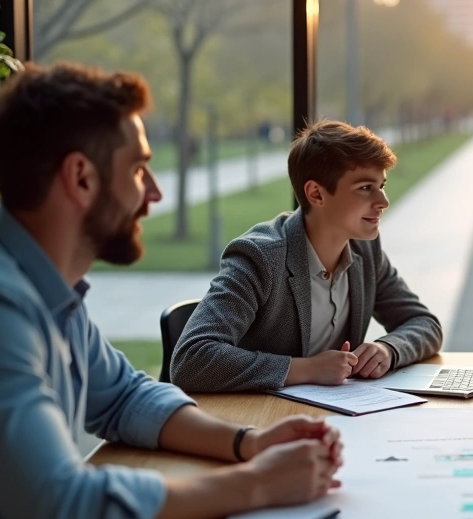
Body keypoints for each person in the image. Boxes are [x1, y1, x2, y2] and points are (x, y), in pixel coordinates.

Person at [0, 63, 343, 519]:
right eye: (137, 169)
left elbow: (125, 397)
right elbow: (62, 510)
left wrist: (249, 443)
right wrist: (258, 484)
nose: (153, 193)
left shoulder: (36, 281)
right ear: (81, 178)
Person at [170, 120, 442, 392]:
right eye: (365, 188)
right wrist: (307, 368)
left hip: (336, 418)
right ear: (316, 194)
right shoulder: (260, 258)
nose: (383, 201)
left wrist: (389, 349)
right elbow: (191, 359)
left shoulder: (364, 250)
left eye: (381, 185)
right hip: (258, 420)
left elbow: (425, 324)